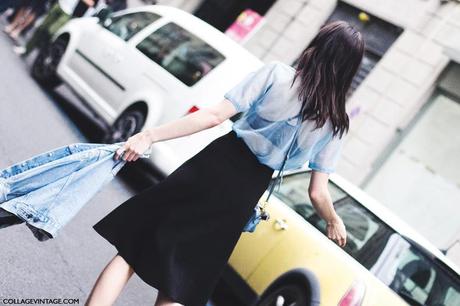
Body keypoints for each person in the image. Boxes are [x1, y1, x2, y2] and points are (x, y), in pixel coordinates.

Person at [86, 21, 364, 306]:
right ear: (348, 70)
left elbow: (214, 116)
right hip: (245, 192)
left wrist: (149, 136)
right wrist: (333, 219)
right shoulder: (335, 124)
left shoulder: (276, 75)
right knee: (181, 281)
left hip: (215, 164)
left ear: (317, 47)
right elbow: (317, 192)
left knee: (133, 250)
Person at [13, 0, 97, 56]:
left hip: (68, 13)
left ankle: (41, 55)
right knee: (42, 28)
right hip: (59, 5)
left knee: (51, 33)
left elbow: (92, 3)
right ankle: (26, 50)